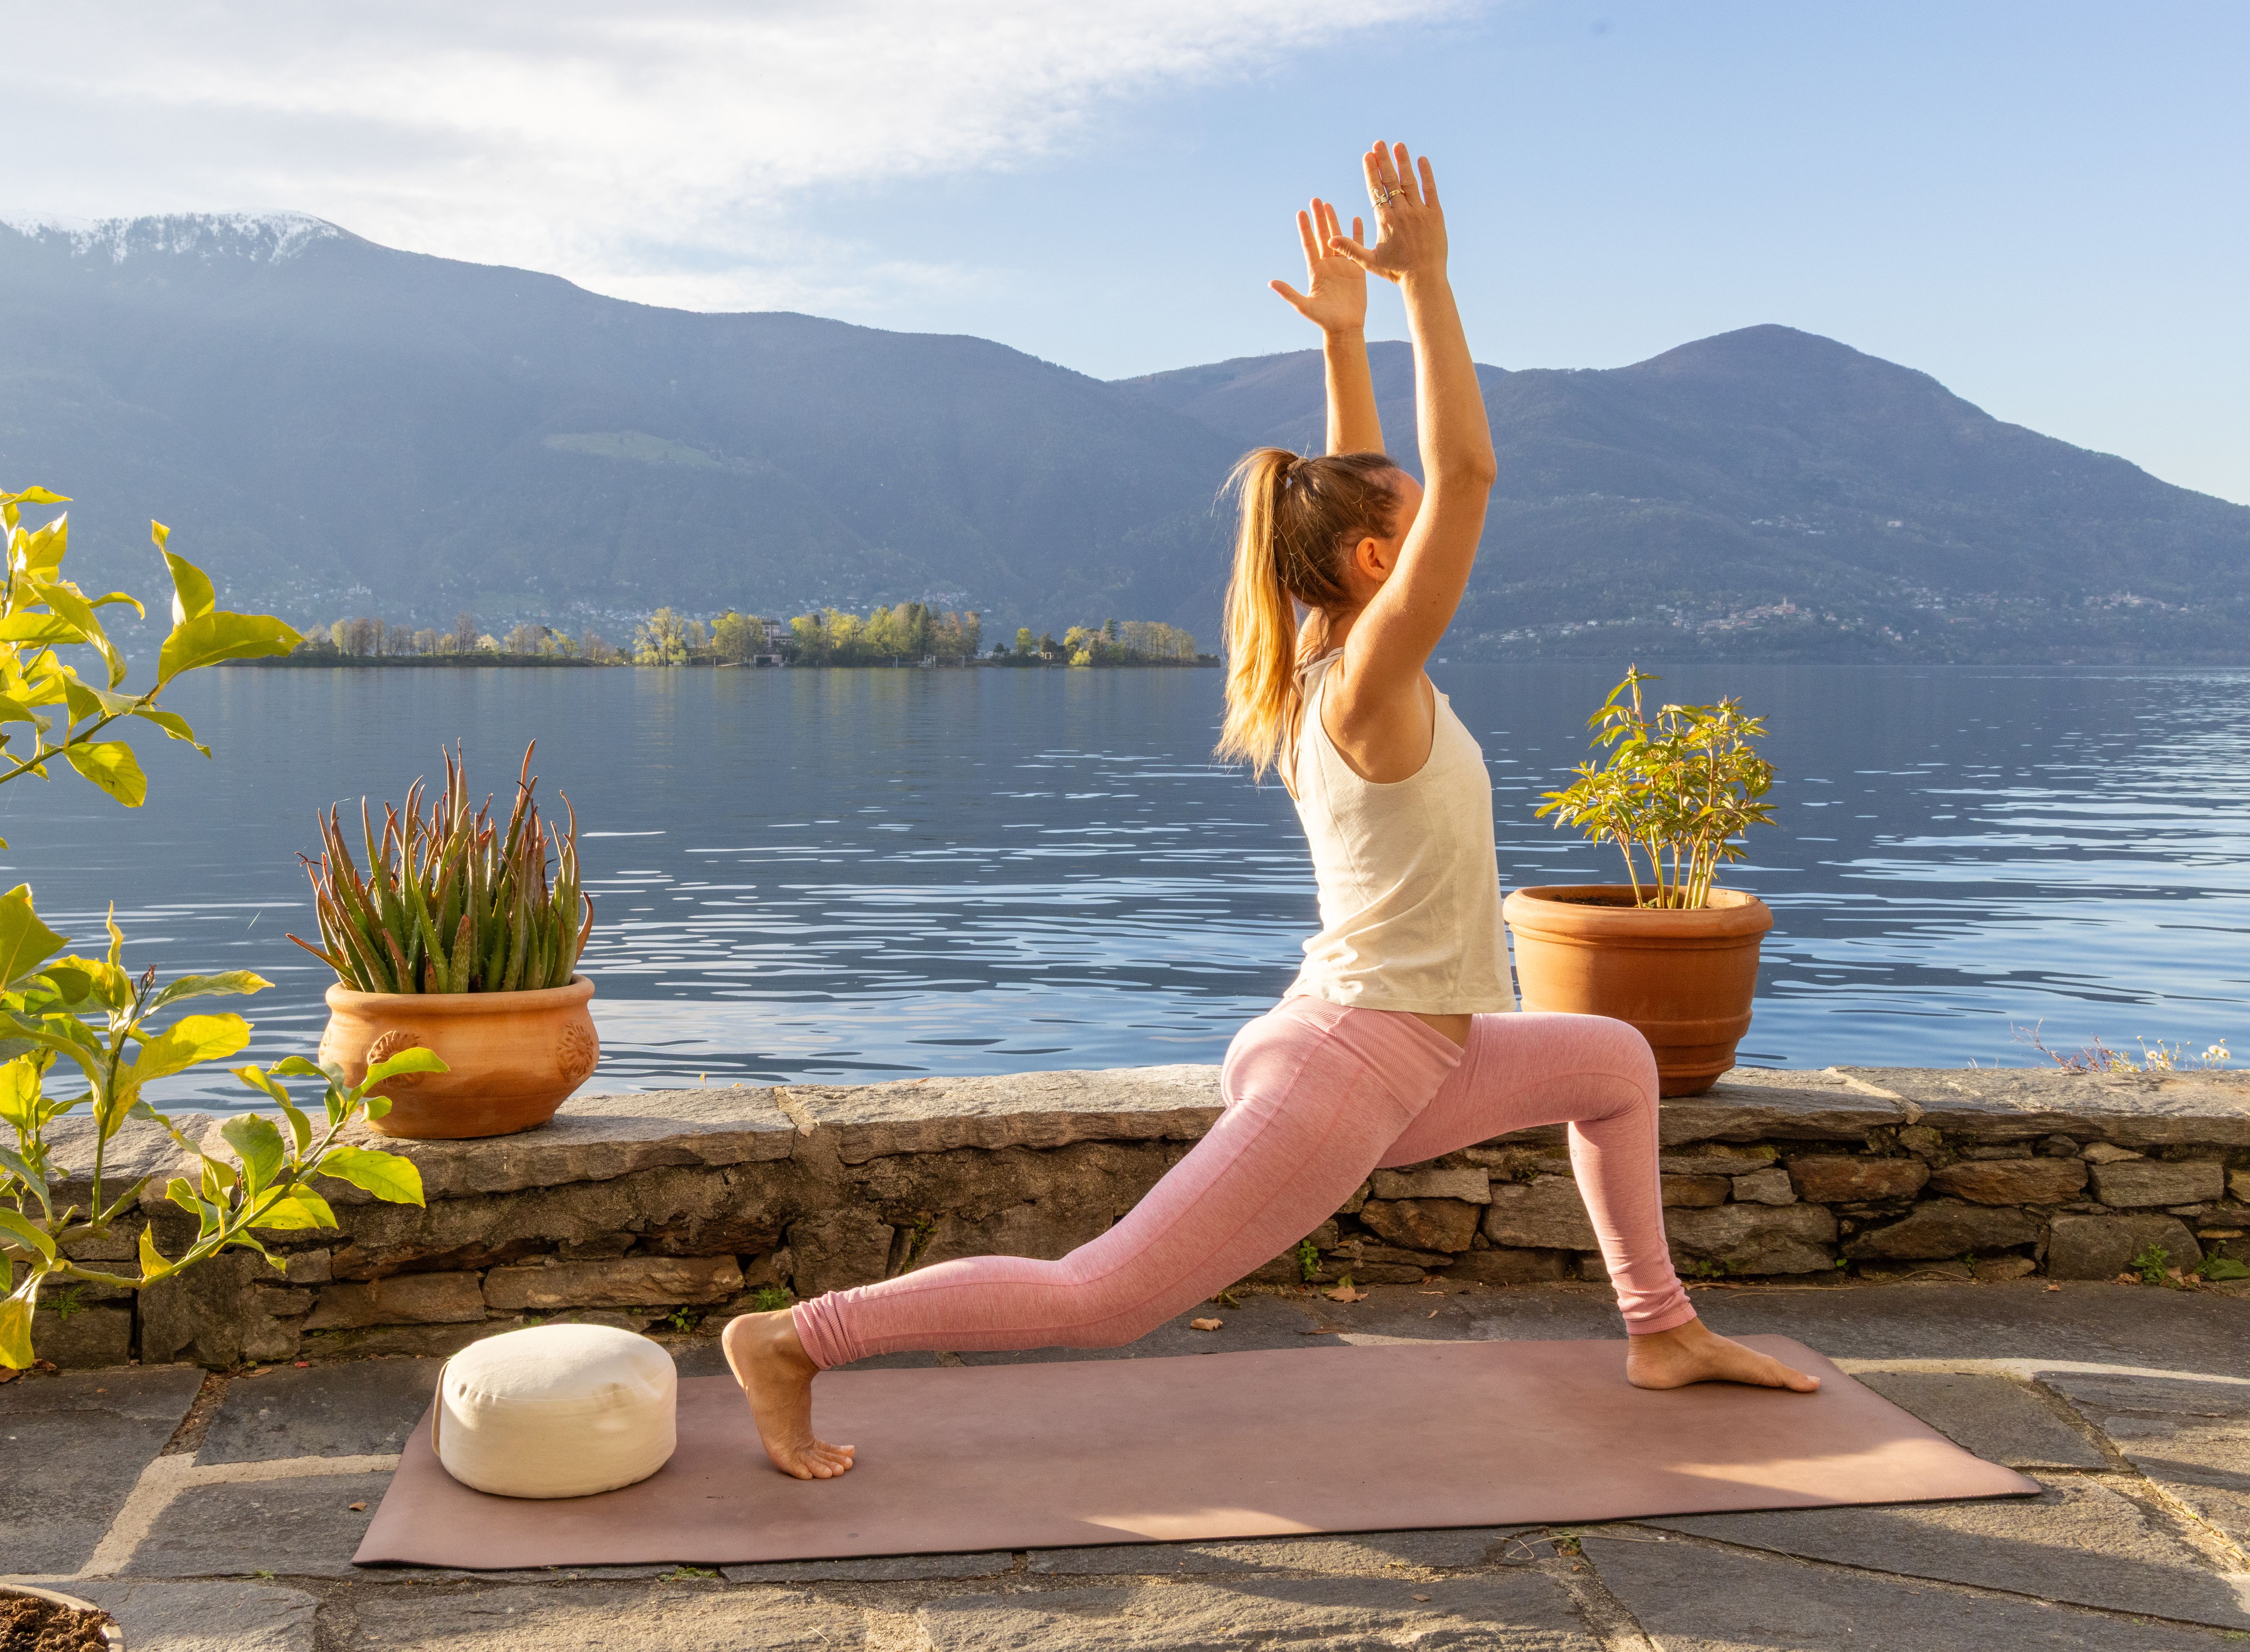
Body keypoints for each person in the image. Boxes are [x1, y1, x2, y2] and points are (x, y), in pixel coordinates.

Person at [722, 140, 1818, 1480]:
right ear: (1379, 562)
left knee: (1615, 1065)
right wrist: (1428, 284)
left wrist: (1347, 336)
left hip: (1408, 1049)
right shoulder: (1367, 680)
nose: (1440, 537)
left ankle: (1663, 1330)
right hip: (1355, 1060)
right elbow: (1466, 474)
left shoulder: (1320, 651)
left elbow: (1362, 486)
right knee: (1103, 1298)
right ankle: (796, 1340)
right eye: (1409, 529)